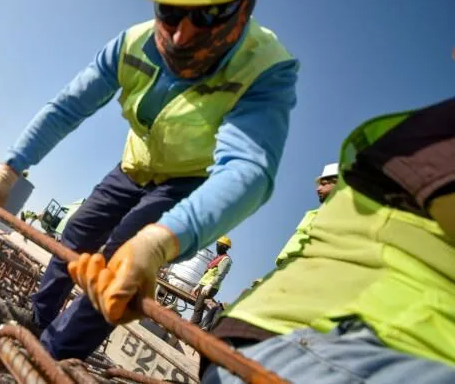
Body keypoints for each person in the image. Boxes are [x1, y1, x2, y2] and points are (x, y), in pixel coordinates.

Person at [0, 0, 298, 359]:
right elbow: (67, 107)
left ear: (246, 1)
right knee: (78, 233)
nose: (181, 36)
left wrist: (160, 241)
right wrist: (8, 171)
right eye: (171, 10)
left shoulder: (265, 68)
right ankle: (38, 315)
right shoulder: (132, 45)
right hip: (133, 166)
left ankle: (54, 354)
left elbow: (248, 169)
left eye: (209, 15)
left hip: (183, 182)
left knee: (119, 265)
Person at [86, 97, 455, 382]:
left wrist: (201, 285)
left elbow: (219, 269)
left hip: (329, 341)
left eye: (323, 182)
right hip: (289, 326)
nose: (317, 187)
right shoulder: (333, 209)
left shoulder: (408, 160)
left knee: (196, 312)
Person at [274, 163, 338, 268]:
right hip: (288, 264)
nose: (318, 189)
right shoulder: (314, 214)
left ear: (337, 184)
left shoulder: (343, 213)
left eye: (324, 184)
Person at [189, 235, 232, 324]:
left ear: (225, 247)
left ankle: (192, 328)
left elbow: (220, 275)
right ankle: (193, 327)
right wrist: (198, 285)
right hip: (204, 285)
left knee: (198, 308)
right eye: (217, 244)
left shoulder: (226, 259)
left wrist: (210, 285)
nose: (217, 246)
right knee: (198, 307)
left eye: (219, 244)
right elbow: (208, 273)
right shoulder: (216, 258)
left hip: (210, 286)